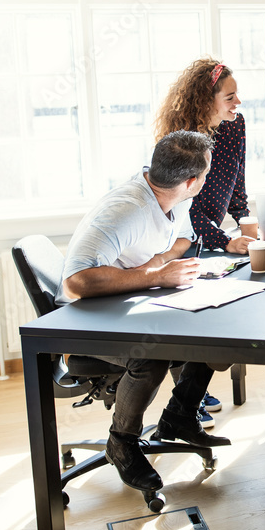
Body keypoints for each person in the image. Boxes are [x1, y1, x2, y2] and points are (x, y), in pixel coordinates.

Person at [59, 130, 229, 494]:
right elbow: (76, 282)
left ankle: (179, 418)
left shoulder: (172, 193)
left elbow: (182, 238)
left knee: (209, 330)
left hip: (133, 302)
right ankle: (121, 442)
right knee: (148, 357)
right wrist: (153, 276)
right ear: (192, 181)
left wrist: (161, 264)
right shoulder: (126, 210)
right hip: (83, 319)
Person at [153, 57, 254, 426]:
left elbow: (237, 182)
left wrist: (245, 226)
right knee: (193, 314)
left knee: (215, 311)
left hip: (215, 235)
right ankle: (186, 400)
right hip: (183, 235)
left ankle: (188, 394)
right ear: (205, 100)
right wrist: (224, 240)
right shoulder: (180, 139)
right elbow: (182, 203)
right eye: (229, 96)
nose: (237, 102)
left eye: (237, 94)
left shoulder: (235, 125)